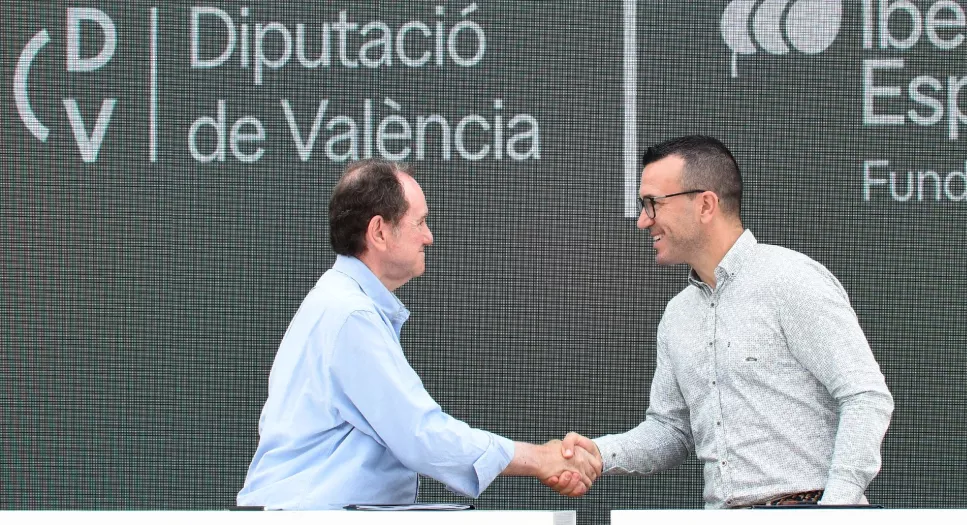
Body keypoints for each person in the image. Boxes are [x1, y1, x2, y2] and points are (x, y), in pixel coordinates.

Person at [552, 135, 894, 507]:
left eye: (653, 203)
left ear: (705, 205)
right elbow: (671, 430)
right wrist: (599, 454)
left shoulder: (791, 280)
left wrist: (835, 510)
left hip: (809, 508)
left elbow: (865, 396)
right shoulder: (678, 315)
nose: (642, 221)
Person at [238, 160, 599, 509]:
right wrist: (539, 458)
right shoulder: (350, 314)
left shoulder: (340, 304)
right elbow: (420, 434)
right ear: (379, 232)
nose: (429, 237)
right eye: (420, 222)